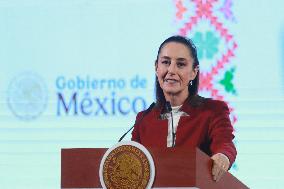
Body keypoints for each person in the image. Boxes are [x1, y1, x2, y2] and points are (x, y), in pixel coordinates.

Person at [131, 35, 237, 182]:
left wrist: (223, 156)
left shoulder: (213, 111)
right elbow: (132, 159)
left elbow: (225, 143)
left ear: (194, 72)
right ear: (156, 67)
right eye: (165, 62)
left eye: (180, 64)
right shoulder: (144, 119)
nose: (171, 70)